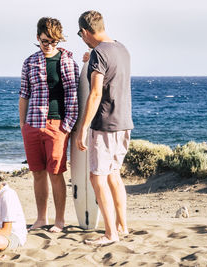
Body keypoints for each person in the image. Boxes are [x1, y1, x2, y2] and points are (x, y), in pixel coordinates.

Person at [76, 10, 134, 245]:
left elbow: (96, 93)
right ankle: (123, 227)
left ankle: (110, 234)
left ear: (86, 31)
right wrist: (90, 60)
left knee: (97, 178)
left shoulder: (99, 53)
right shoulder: (121, 48)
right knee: (114, 176)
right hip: (124, 123)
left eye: (81, 35)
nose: (83, 39)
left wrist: (83, 127)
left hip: (104, 125)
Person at [19, 17, 79, 233]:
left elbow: (73, 95)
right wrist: (23, 124)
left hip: (57, 124)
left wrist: (68, 126)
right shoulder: (29, 62)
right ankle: (41, 218)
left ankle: (59, 220)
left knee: (55, 173)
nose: (49, 45)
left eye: (53, 42)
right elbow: (24, 94)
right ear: (38, 38)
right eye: (45, 41)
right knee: (37, 173)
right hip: (32, 124)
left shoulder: (68, 62)